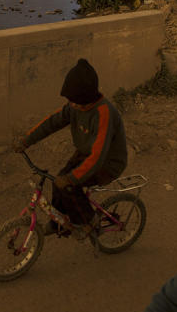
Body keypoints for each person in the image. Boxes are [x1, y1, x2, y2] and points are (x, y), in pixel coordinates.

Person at [14, 58, 127, 237]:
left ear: (85, 98)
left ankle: (89, 223)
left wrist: (72, 178)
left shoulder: (104, 114)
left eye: (73, 100)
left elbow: (97, 157)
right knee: (58, 180)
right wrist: (26, 140)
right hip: (85, 154)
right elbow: (52, 123)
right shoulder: (75, 107)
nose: (70, 104)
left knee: (68, 185)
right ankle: (58, 223)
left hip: (107, 163)